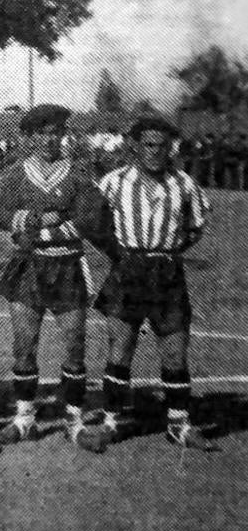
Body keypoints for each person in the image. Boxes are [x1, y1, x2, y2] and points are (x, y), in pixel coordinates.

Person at [77, 116, 216, 451]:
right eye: (149, 145)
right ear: (136, 146)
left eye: (162, 145)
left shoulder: (184, 184)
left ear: (170, 148)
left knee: (175, 350)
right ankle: (111, 422)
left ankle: (179, 424)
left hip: (167, 273)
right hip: (128, 270)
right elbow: (90, 220)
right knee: (120, 347)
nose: (155, 151)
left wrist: (167, 252)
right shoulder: (115, 181)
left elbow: (195, 228)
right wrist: (118, 254)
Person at [0, 104, 106, 452]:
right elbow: (2, 217)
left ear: (62, 134)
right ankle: (24, 418)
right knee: (24, 346)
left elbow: (87, 221)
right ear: (28, 137)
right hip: (28, 266)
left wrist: (33, 226)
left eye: (54, 131)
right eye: (40, 132)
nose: (48, 138)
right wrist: (45, 219)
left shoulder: (78, 173)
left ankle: (74, 420)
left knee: (74, 345)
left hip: (67, 265)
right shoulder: (14, 174)